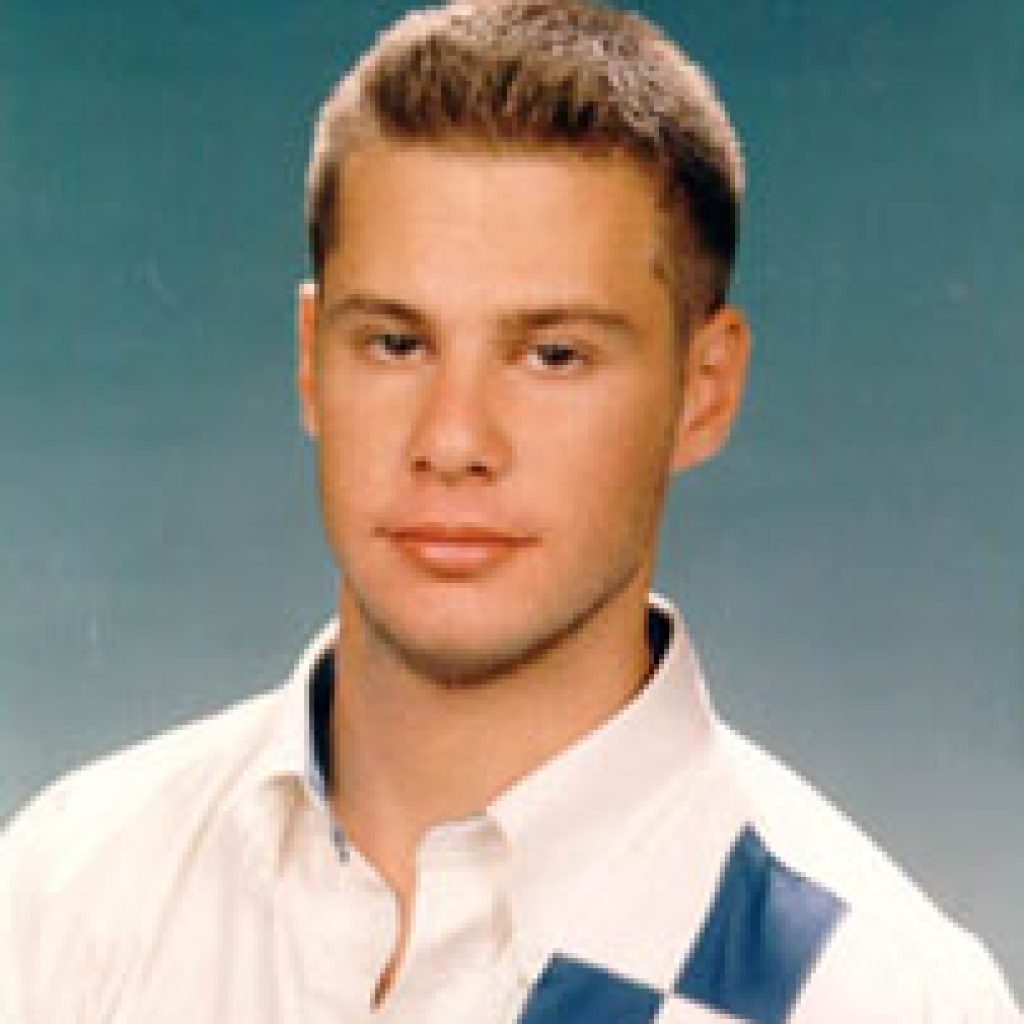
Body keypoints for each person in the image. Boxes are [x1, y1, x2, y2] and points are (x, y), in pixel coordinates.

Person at [1, 1, 1018, 1021]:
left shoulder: (871, 994)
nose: (452, 440)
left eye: (553, 355)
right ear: (310, 360)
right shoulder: (68, 889)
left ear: (704, 389)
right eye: (396, 343)